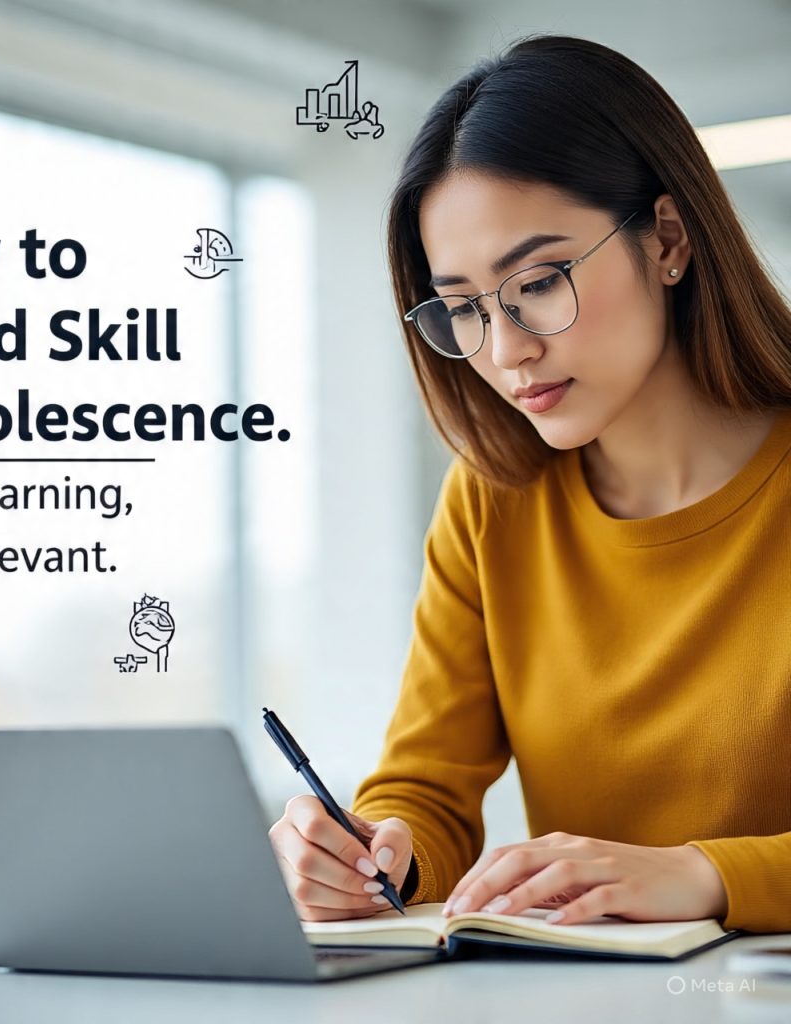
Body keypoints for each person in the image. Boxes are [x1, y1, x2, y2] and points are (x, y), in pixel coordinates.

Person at [268, 33, 791, 934]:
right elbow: (427, 783)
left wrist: (705, 877)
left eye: (540, 282)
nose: (506, 353)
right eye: (464, 308)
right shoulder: (492, 501)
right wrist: (376, 851)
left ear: (667, 239)